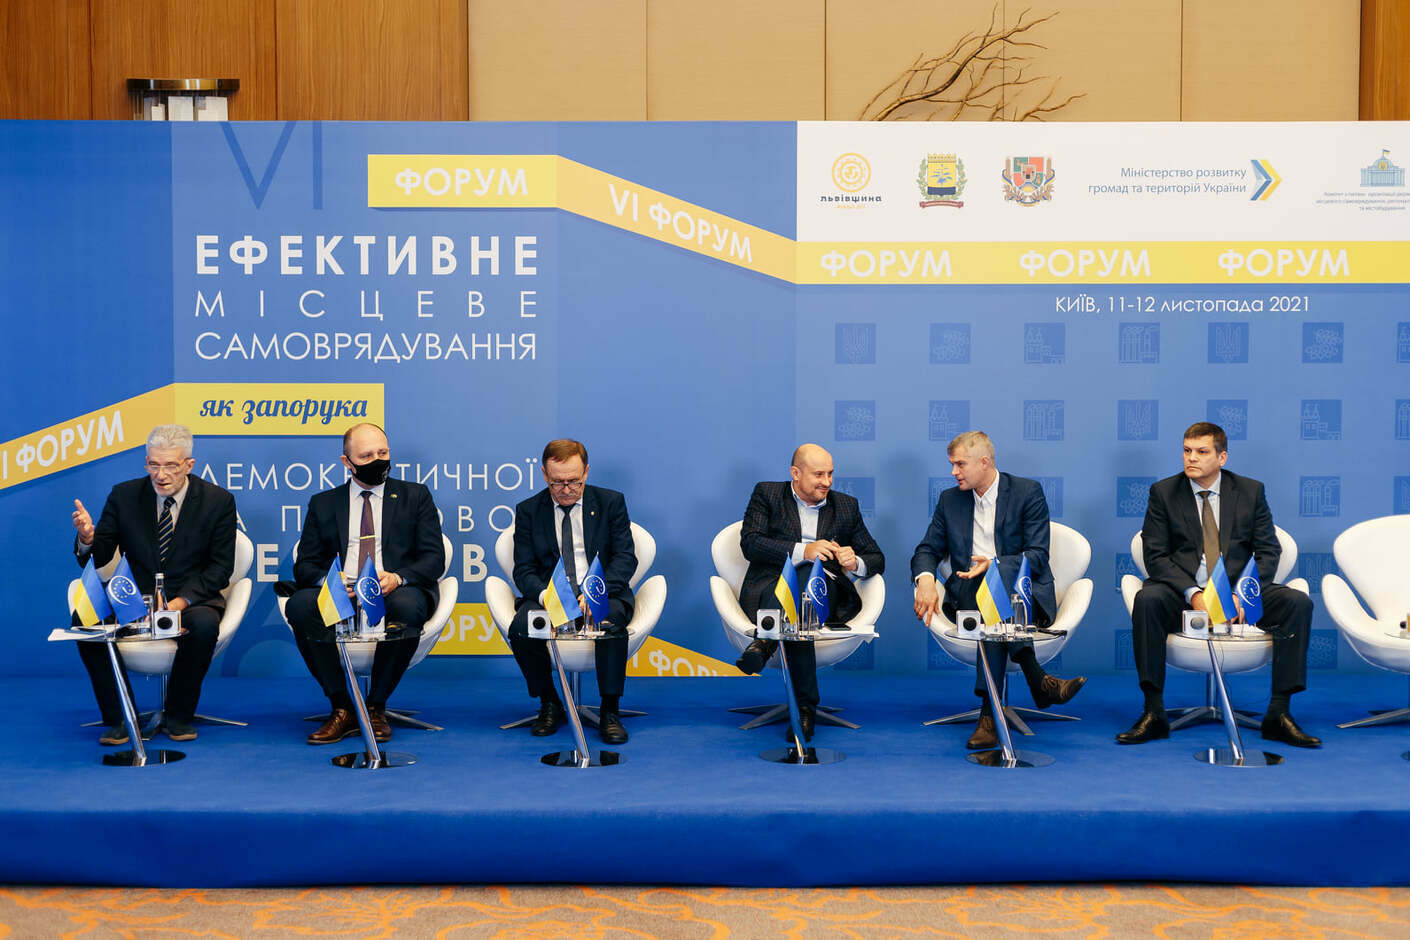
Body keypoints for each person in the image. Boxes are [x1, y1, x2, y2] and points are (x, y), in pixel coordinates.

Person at [1118, 421, 1319, 747]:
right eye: (1187, 451)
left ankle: (1279, 713)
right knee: (1147, 600)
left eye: (1201, 452)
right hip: (1183, 593)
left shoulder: (1250, 491)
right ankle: (1153, 712)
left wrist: (1243, 594)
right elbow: (1155, 556)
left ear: (1222, 457)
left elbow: (1269, 551)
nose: (1191, 458)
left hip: (1238, 591)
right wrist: (1195, 595)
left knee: (1297, 603)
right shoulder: (1164, 493)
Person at [910, 431, 1085, 749]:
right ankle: (1037, 679)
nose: (954, 472)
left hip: (1022, 596)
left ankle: (989, 715)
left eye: (960, 464)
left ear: (984, 462)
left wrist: (994, 564)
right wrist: (924, 580)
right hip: (968, 594)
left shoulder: (1027, 492)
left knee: (993, 581)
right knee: (983, 589)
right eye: (952, 465)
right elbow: (927, 549)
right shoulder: (950, 500)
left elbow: (1037, 556)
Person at [70, 425, 237, 745]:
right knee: (85, 618)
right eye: (154, 465)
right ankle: (121, 718)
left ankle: (179, 715)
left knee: (204, 625)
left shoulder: (218, 501)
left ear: (189, 465)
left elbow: (220, 569)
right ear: (146, 462)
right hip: (134, 596)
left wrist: (179, 603)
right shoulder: (124, 495)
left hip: (191, 598)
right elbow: (101, 555)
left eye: (171, 465)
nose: (161, 475)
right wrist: (88, 538)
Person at [286, 423, 445, 745]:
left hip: (393, 589)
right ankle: (342, 707)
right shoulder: (323, 503)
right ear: (347, 462)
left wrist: (397, 578)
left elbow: (433, 559)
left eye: (383, 453)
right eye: (367, 456)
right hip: (342, 591)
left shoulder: (415, 496)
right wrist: (330, 582)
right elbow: (305, 565)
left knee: (408, 607)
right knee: (300, 606)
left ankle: (375, 707)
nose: (378, 461)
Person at [734, 443, 885, 741]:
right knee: (799, 599)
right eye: (819, 474)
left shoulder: (845, 506)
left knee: (807, 580)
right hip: (771, 587)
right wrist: (804, 551)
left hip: (823, 592)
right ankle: (805, 709)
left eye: (830, 474)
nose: (827, 482)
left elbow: (877, 558)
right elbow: (750, 543)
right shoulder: (768, 494)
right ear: (795, 473)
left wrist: (854, 561)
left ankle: (764, 641)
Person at [506, 439, 637, 745]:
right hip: (550, 595)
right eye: (557, 483)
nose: (566, 490)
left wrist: (596, 592)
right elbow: (523, 569)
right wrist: (547, 597)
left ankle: (610, 710)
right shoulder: (528, 510)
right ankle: (549, 702)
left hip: (600, 590)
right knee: (522, 628)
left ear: (586, 472)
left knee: (610, 622)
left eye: (574, 482)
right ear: (544, 475)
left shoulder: (610, 503)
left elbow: (625, 558)